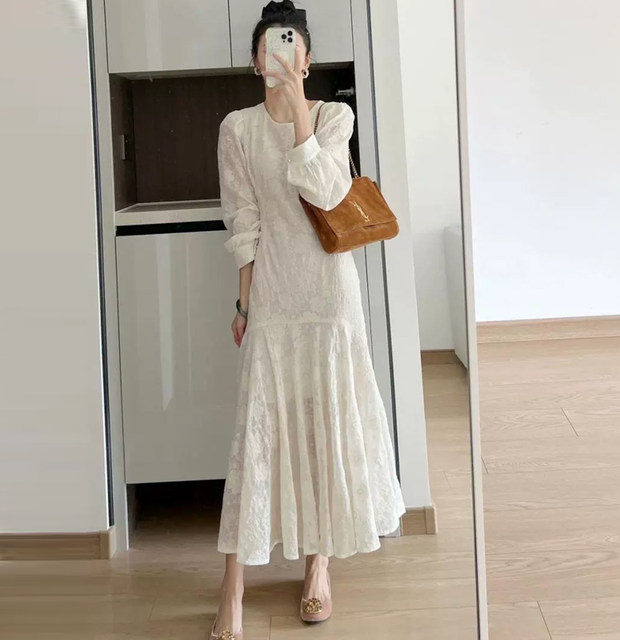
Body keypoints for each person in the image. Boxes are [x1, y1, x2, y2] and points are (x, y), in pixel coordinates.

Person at [210, 2, 406, 638]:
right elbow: (244, 222)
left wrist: (299, 108)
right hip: (274, 293)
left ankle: (318, 567)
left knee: (325, 423)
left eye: (291, 45)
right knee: (258, 433)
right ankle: (233, 588)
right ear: (254, 61)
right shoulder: (236, 129)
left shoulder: (333, 117)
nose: (281, 54)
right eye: (270, 45)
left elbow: (326, 191)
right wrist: (243, 303)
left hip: (329, 296)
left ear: (307, 59)